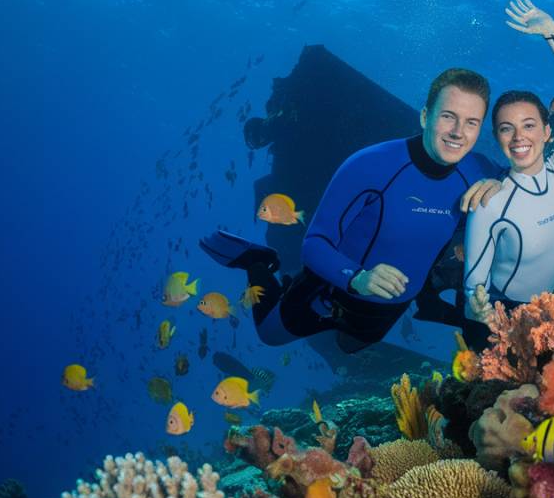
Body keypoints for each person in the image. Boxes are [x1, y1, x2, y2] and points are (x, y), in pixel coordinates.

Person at [200, 68, 502, 369]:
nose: (458, 132)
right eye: (448, 116)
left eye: (471, 123)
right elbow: (315, 242)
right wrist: (359, 278)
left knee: (352, 346)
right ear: (425, 116)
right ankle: (258, 260)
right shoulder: (371, 164)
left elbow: (532, 179)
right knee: (269, 334)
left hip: (390, 307)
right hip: (334, 291)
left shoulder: (479, 168)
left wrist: (503, 185)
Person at [462, 0, 554, 347]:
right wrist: (477, 307)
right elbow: (474, 283)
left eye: (528, 125)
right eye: (507, 128)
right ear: (498, 139)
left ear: (547, 131)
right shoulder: (491, 202)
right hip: (502, 319)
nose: (519, 136)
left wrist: (553, 33)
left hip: (553, 309)